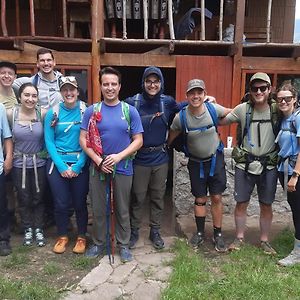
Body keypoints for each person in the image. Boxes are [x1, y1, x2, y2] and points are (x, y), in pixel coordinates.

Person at [79, 67, 143, 262]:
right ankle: (99, 243)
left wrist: (118, 157)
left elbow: (138, 140)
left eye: (113, 84)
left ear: (119, 86)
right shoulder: (92, 111)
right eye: (106, 84)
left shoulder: (129, 111)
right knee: (98, 207)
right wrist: (98, 160)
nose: (109, 87)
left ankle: (123, 245)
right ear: (100, 85)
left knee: (123, 207)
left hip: (123, 167)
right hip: (98, 167)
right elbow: (83, 139)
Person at [124, 66, 186, 250]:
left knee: (158, 197)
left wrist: (204, 101)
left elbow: (182, 106)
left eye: (156, 81)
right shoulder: (132, 103)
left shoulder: (166, 102)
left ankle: (155, 231)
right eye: (149, 81)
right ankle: (134, 231)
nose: (152, 85)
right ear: (143, 83)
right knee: (138, 197)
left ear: (161, 83)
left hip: (160, 157)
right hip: (140, 158)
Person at [168, 79, 231, 252]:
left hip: (215, 160)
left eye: (199, 92)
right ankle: (201, 233)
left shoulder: (213, 109)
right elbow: (170, 137)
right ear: (187, 95)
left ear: (204, 94)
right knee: (200, 199)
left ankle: (218, 234)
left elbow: (231, 114)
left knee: (217, 197)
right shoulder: (181, 117)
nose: (196, 96)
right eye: (192, 93)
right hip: (196, 163)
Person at [220, 72, 279, 255]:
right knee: (241, 202)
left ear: (269, 90)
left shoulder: (277, 110)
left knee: (266, 204)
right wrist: (208, 103)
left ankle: (265, 241)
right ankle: (239, 238)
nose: (259, 91)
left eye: (263, 88)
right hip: (245, 164)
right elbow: (221, 120)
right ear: (250, 90)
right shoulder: (243, 109)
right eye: (255, 88)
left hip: (269, 164)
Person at [13, 48, 63, 228]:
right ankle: (45, 218)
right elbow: (10, 84)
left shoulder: (63, 81)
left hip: (60, 137)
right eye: (42, 61)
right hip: (39, 137)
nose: (46, 63)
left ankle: (60, 218)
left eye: (49, 60)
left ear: (54, 62)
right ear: (37, 63)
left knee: (57, 179)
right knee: (44, 181)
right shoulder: (30, 82)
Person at [44, 76, 89, 254]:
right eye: (65, 90)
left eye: (72, 89)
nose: (69, 93)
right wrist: (62, 167)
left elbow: (89, 141)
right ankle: (62, 236)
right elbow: (49, 141)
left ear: (77, 91)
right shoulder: (52, 112)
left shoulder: (86, 111)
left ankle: (82, 236)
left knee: (79, 203)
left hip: (80, 161)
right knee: (61, 203)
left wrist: (78, 166)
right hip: (58, 162)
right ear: (61, 92)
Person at [8, 83, 47, 247]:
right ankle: (27, 228)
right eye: (27, 95)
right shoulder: (11, 114)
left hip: (39, 162)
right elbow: (7, 137)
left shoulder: (43, 113)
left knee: (39, 197)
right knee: (23, 197)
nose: (30, 99)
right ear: (20, 97)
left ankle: (38, 228)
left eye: (33, 96)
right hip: (19, 163)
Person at [276, 83, 300, 266]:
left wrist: (296, 175)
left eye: (287, 98)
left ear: (295, 100)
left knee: (299, 211)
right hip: (284, 170)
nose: (283, 101)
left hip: (295, 173)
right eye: (280, 99)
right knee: (295, 209)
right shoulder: (284, 119)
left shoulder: (297, 118)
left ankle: (297, 253)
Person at [0, 102, 13, 256]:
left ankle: (3, 239)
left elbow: (7, 136)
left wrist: (8, 156)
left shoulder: (1, 107)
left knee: (1, 205)